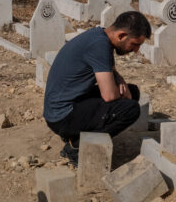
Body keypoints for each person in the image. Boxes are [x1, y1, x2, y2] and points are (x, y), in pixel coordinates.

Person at [43, 11, 151, 164]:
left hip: (62, 108)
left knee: (132, 92)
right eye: (134, 44)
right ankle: (76, 146)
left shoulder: (100, 36)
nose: (136, 50)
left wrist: (119, 79)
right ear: (121, 35)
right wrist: (119, 91)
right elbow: (109, 96)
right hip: (62, 116)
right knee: (130, 109)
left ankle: (78, 135)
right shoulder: (100, 46)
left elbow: (110, 69)